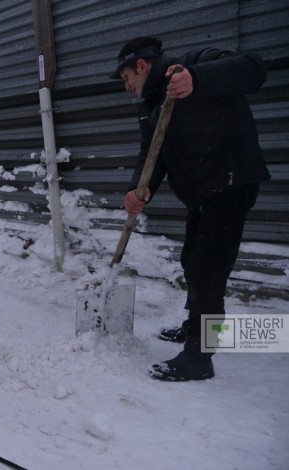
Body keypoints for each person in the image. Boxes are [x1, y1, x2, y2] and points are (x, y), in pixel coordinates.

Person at [110, 37, 270, 381]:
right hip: (202, 193)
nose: (127, 87)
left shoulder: (194, 62)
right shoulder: (151, 106)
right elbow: (151, 153)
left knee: (206, 271)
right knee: (191, 261)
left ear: (142, 65)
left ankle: (199, 356)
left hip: (231, 184)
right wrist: (138, 189)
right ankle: (194, 325)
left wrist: (197, 78)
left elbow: (254, 69)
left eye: (127, 78)